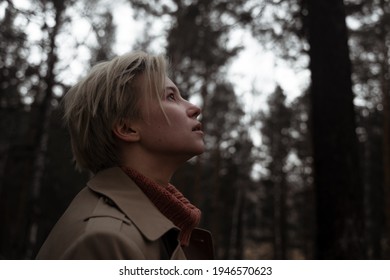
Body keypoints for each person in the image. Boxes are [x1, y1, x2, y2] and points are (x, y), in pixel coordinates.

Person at [36, 51, 213, 260]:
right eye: (171, 97)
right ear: (127, 128)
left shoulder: (157, 223)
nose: (194, 108)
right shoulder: (106, 240)